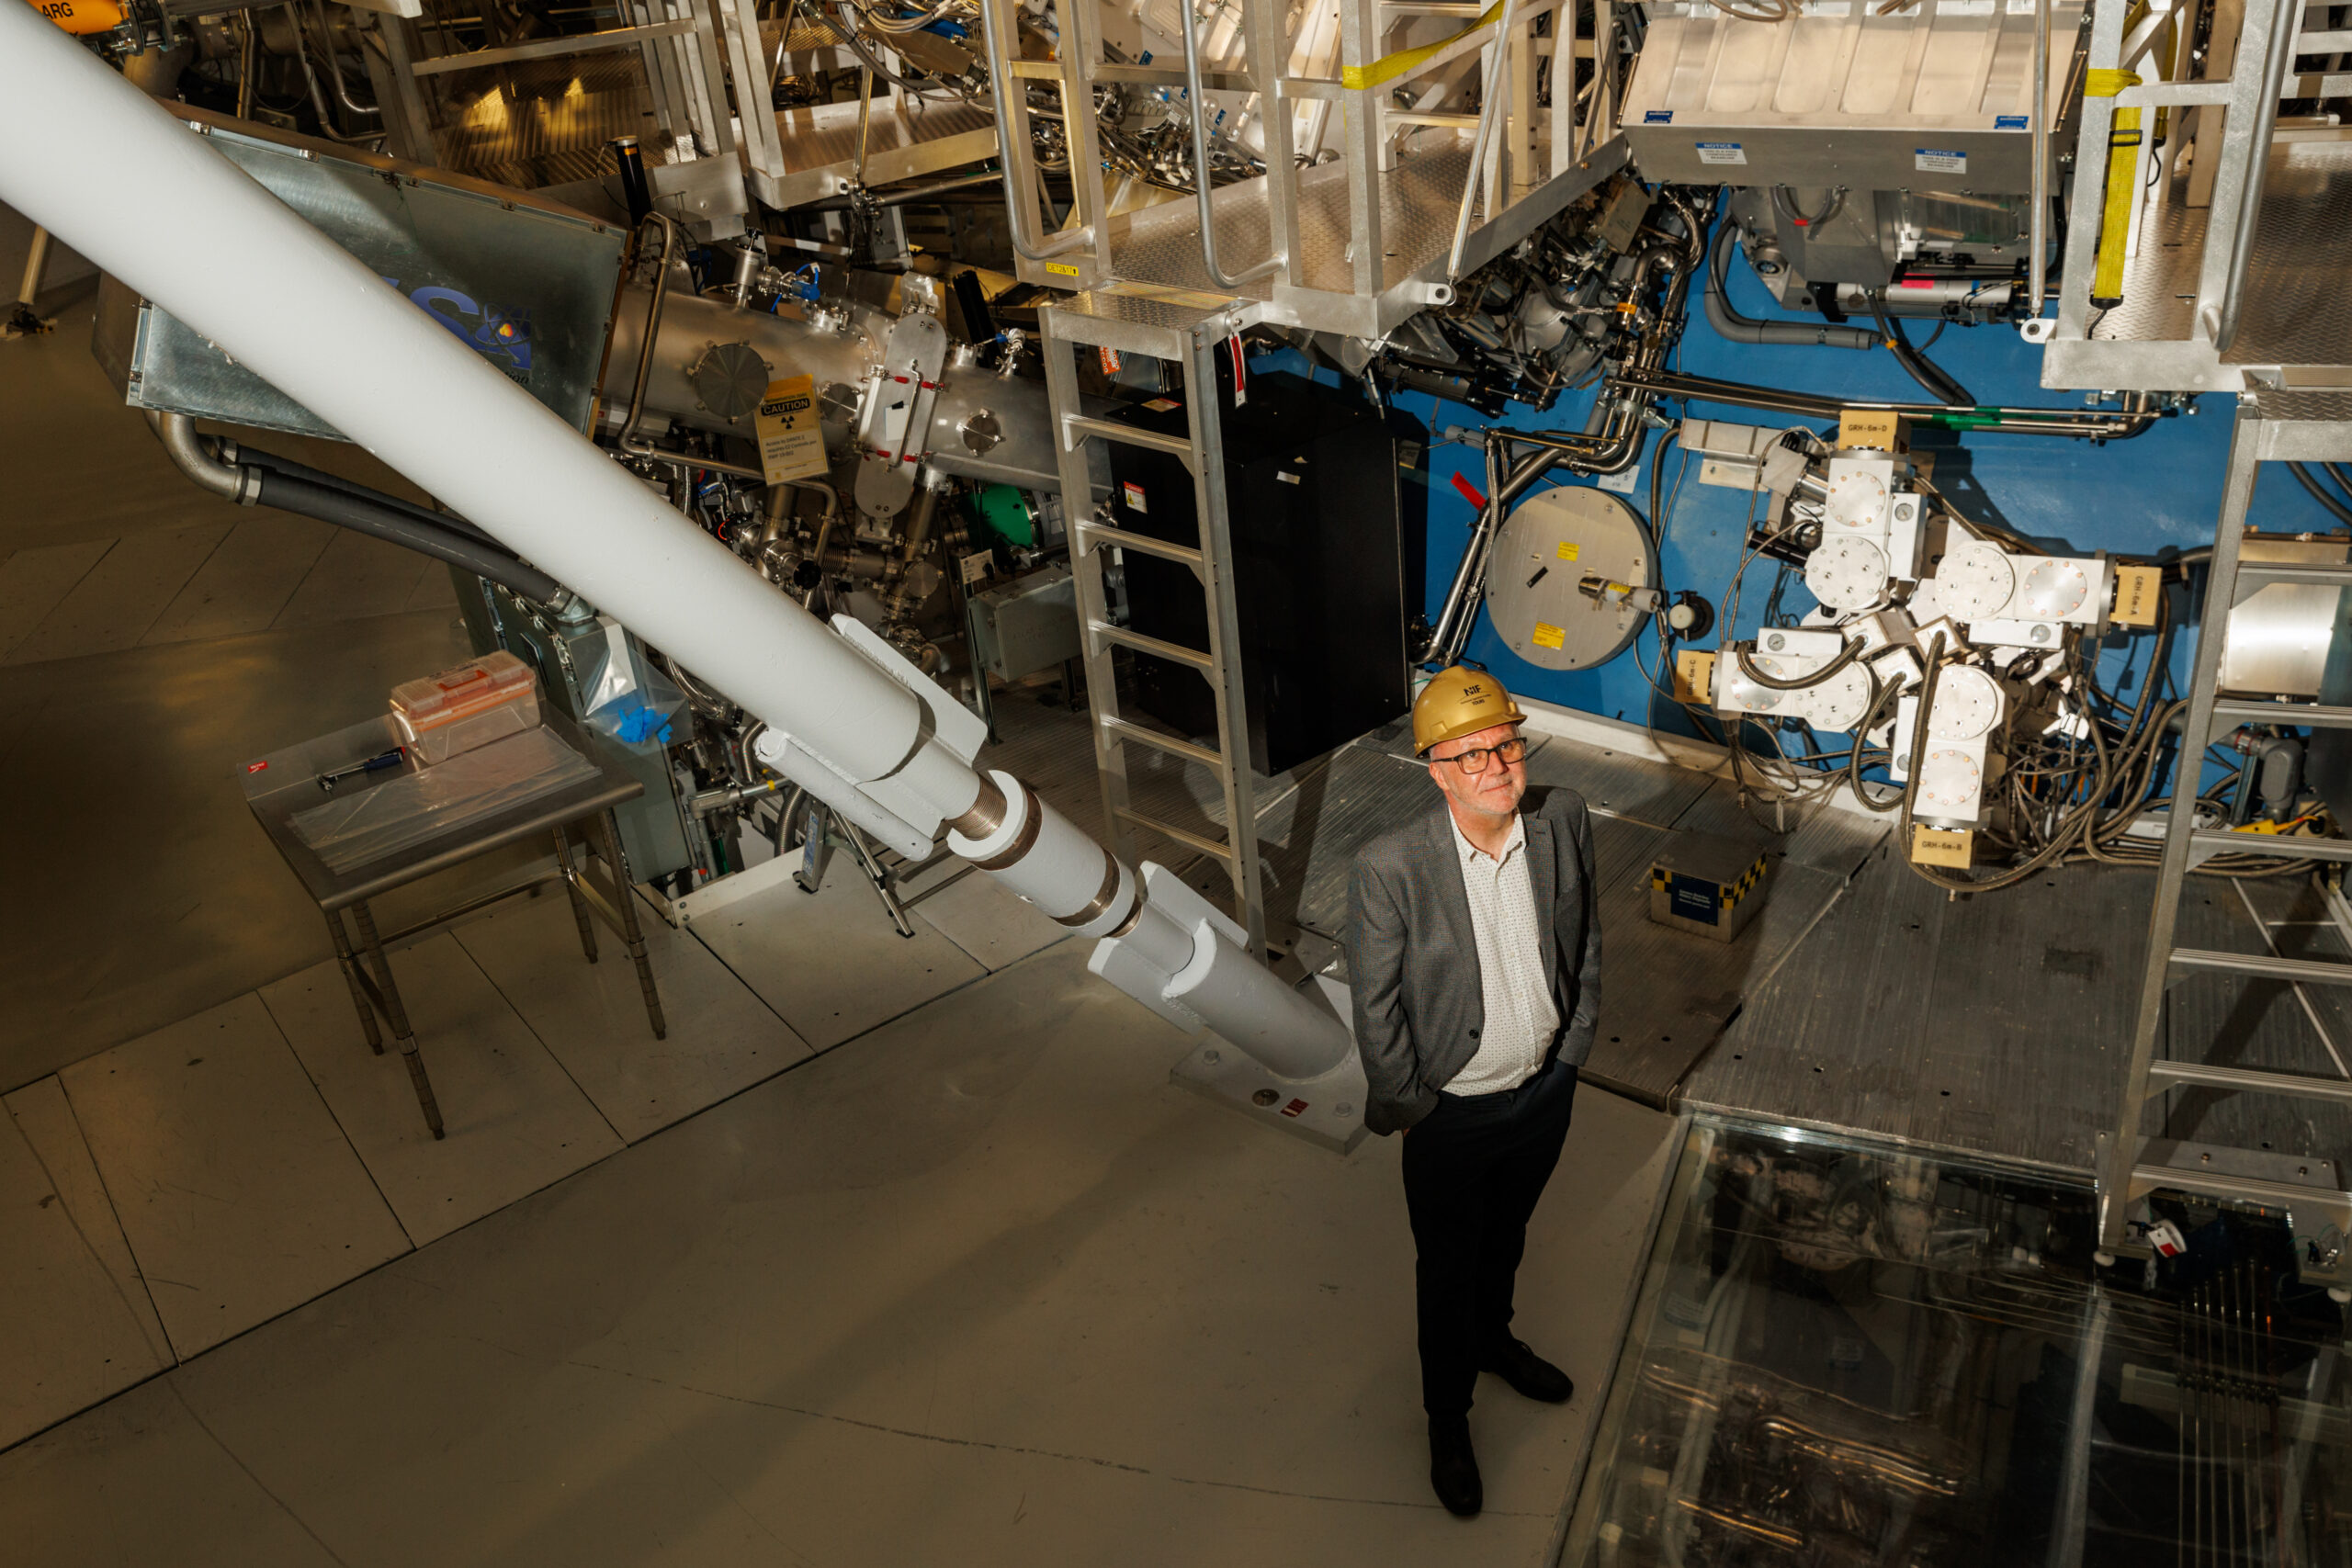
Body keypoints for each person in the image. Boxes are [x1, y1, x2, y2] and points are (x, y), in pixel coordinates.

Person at [1344, 666, 1602, 1517]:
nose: (1495, 764)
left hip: (1544, 1092)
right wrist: (1416, 1109)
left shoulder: (1561, 817)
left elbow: (1586, 937)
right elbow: (1374, 1007)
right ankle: (1447, 1416)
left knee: (1508, 1236)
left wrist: (1573, 1049)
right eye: (1470, 753)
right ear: (1436, 770)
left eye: (1504, 742)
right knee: (1447, 1268)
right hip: (1451, 1114)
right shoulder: (1392, 867)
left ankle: (1496, 1340)